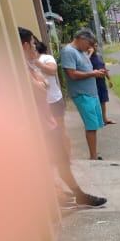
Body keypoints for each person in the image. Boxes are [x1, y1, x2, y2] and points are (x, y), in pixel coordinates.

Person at [17, 28, 105, 207]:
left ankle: (64, 192)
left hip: (46, 121)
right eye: (33, 45)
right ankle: (68, 194)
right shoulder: (23, 68)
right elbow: (41, 88)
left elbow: (43, 83)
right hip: (41, 124)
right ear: (25, 45)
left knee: (59, 160)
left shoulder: (30, 65)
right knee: (55, 161)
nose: (36, 48)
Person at [58, 29, 108, 161]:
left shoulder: (80, 51)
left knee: (95, 125)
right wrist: (93, 74)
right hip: (82, 94)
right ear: (81, 39)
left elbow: (85, 69)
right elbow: (72, 74)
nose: (89, 47)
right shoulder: (68, 51)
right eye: (89, 43)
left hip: (91, 93)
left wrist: (96, 71)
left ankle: (94, 153)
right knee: (91, 126)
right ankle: (93, 156)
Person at [89, 42, 115, 126]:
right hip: (92, 82)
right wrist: (89, 53)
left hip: (101, 81)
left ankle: (105, 119)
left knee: (103, 100)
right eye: (93, 46)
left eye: (96, 46)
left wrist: (109, 79)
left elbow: (104, 67)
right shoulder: (86, 57)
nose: (95, 48)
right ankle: (96, 120)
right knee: (94, 101)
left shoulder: (99, 56)